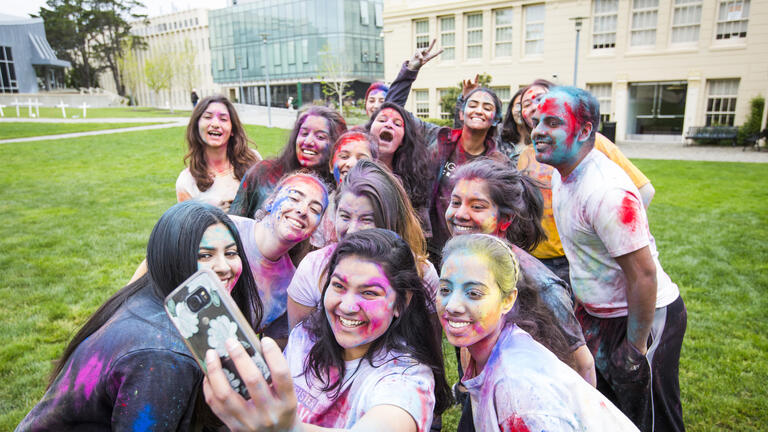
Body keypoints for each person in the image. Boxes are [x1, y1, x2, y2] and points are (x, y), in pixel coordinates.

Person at [16, 201, 262, 431]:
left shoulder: (152, 296)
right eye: (204, 255)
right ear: (171, 257)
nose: (224, 266)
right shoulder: (164, 355)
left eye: (230, 253)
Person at [531, 86, 686, 432]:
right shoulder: (564, 170)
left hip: (643, 318)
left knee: (652, 418)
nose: (538, 130)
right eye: (537, 119)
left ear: (585, 130)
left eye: (552, 122)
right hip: (601, 317)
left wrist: (635, 346)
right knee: (611, 415)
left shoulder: (607, 191)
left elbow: (643, 276)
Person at [203, 229, 452, 432]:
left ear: (402, 302)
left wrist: (287, 429)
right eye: (339, 286)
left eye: (369, 293)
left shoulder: (407, 377)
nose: (347, 306)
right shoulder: (305, 336)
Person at [438, 234, 639, 432]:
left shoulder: (518, 398)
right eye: (445, 289)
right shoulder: (487, 350)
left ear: (508, 300)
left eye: (473, 293)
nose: (452, 305)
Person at [445, 158, 596, 385]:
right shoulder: (465, 265)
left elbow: (583, 365)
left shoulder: (540, 284)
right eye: (456, 202)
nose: (460, 214)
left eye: (477, 206)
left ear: (506, 220)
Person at [516, 79, 656, 284]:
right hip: (536, 256)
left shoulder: (594, 142)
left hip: (573, 257)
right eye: (526, 104)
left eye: (540, 98)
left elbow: (644, 190)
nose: (534, 105)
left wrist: (614, 234)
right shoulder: (529, 155)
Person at [287, 159, 437, 329]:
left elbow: (429, 347)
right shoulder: (314, 268)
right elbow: (297, 345)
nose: (352, 230)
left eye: (366, 219)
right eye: (344, 216)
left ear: (391, 221)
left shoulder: (422, 274)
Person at [228, 171, 330, 347]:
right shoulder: (227, 230)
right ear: (270, 202)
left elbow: (274, 349)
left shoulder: (291, 286)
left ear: (315, 231)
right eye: (294, 198)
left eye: (314, 209)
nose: (302, 210)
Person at [230, 106, 346, 219]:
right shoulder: (263, 173)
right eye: (304, 133)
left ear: (336, 144)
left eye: (320, 137)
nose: (308, 141)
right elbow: (233, 223)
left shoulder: (340, 189)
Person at [176, 95, 261, 212]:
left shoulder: (253, 160)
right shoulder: (186, 182)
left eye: (223, 119)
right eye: (208, 117)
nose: (215, 124)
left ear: (232, 130)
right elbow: (189, 228)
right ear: (196, 126)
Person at [364, 102, 434, 234]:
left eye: (397, 124)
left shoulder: (413, 181)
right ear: (369, 129)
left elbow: (422, 235)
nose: (388, 125)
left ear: (403, 140)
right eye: (382, 120)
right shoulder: (352, 168)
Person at [498, 87, 527, 164]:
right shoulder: (498, 133)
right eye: (518, 105)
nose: (521, 110)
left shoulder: (542, 139)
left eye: (527, 105)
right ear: (511, 109)